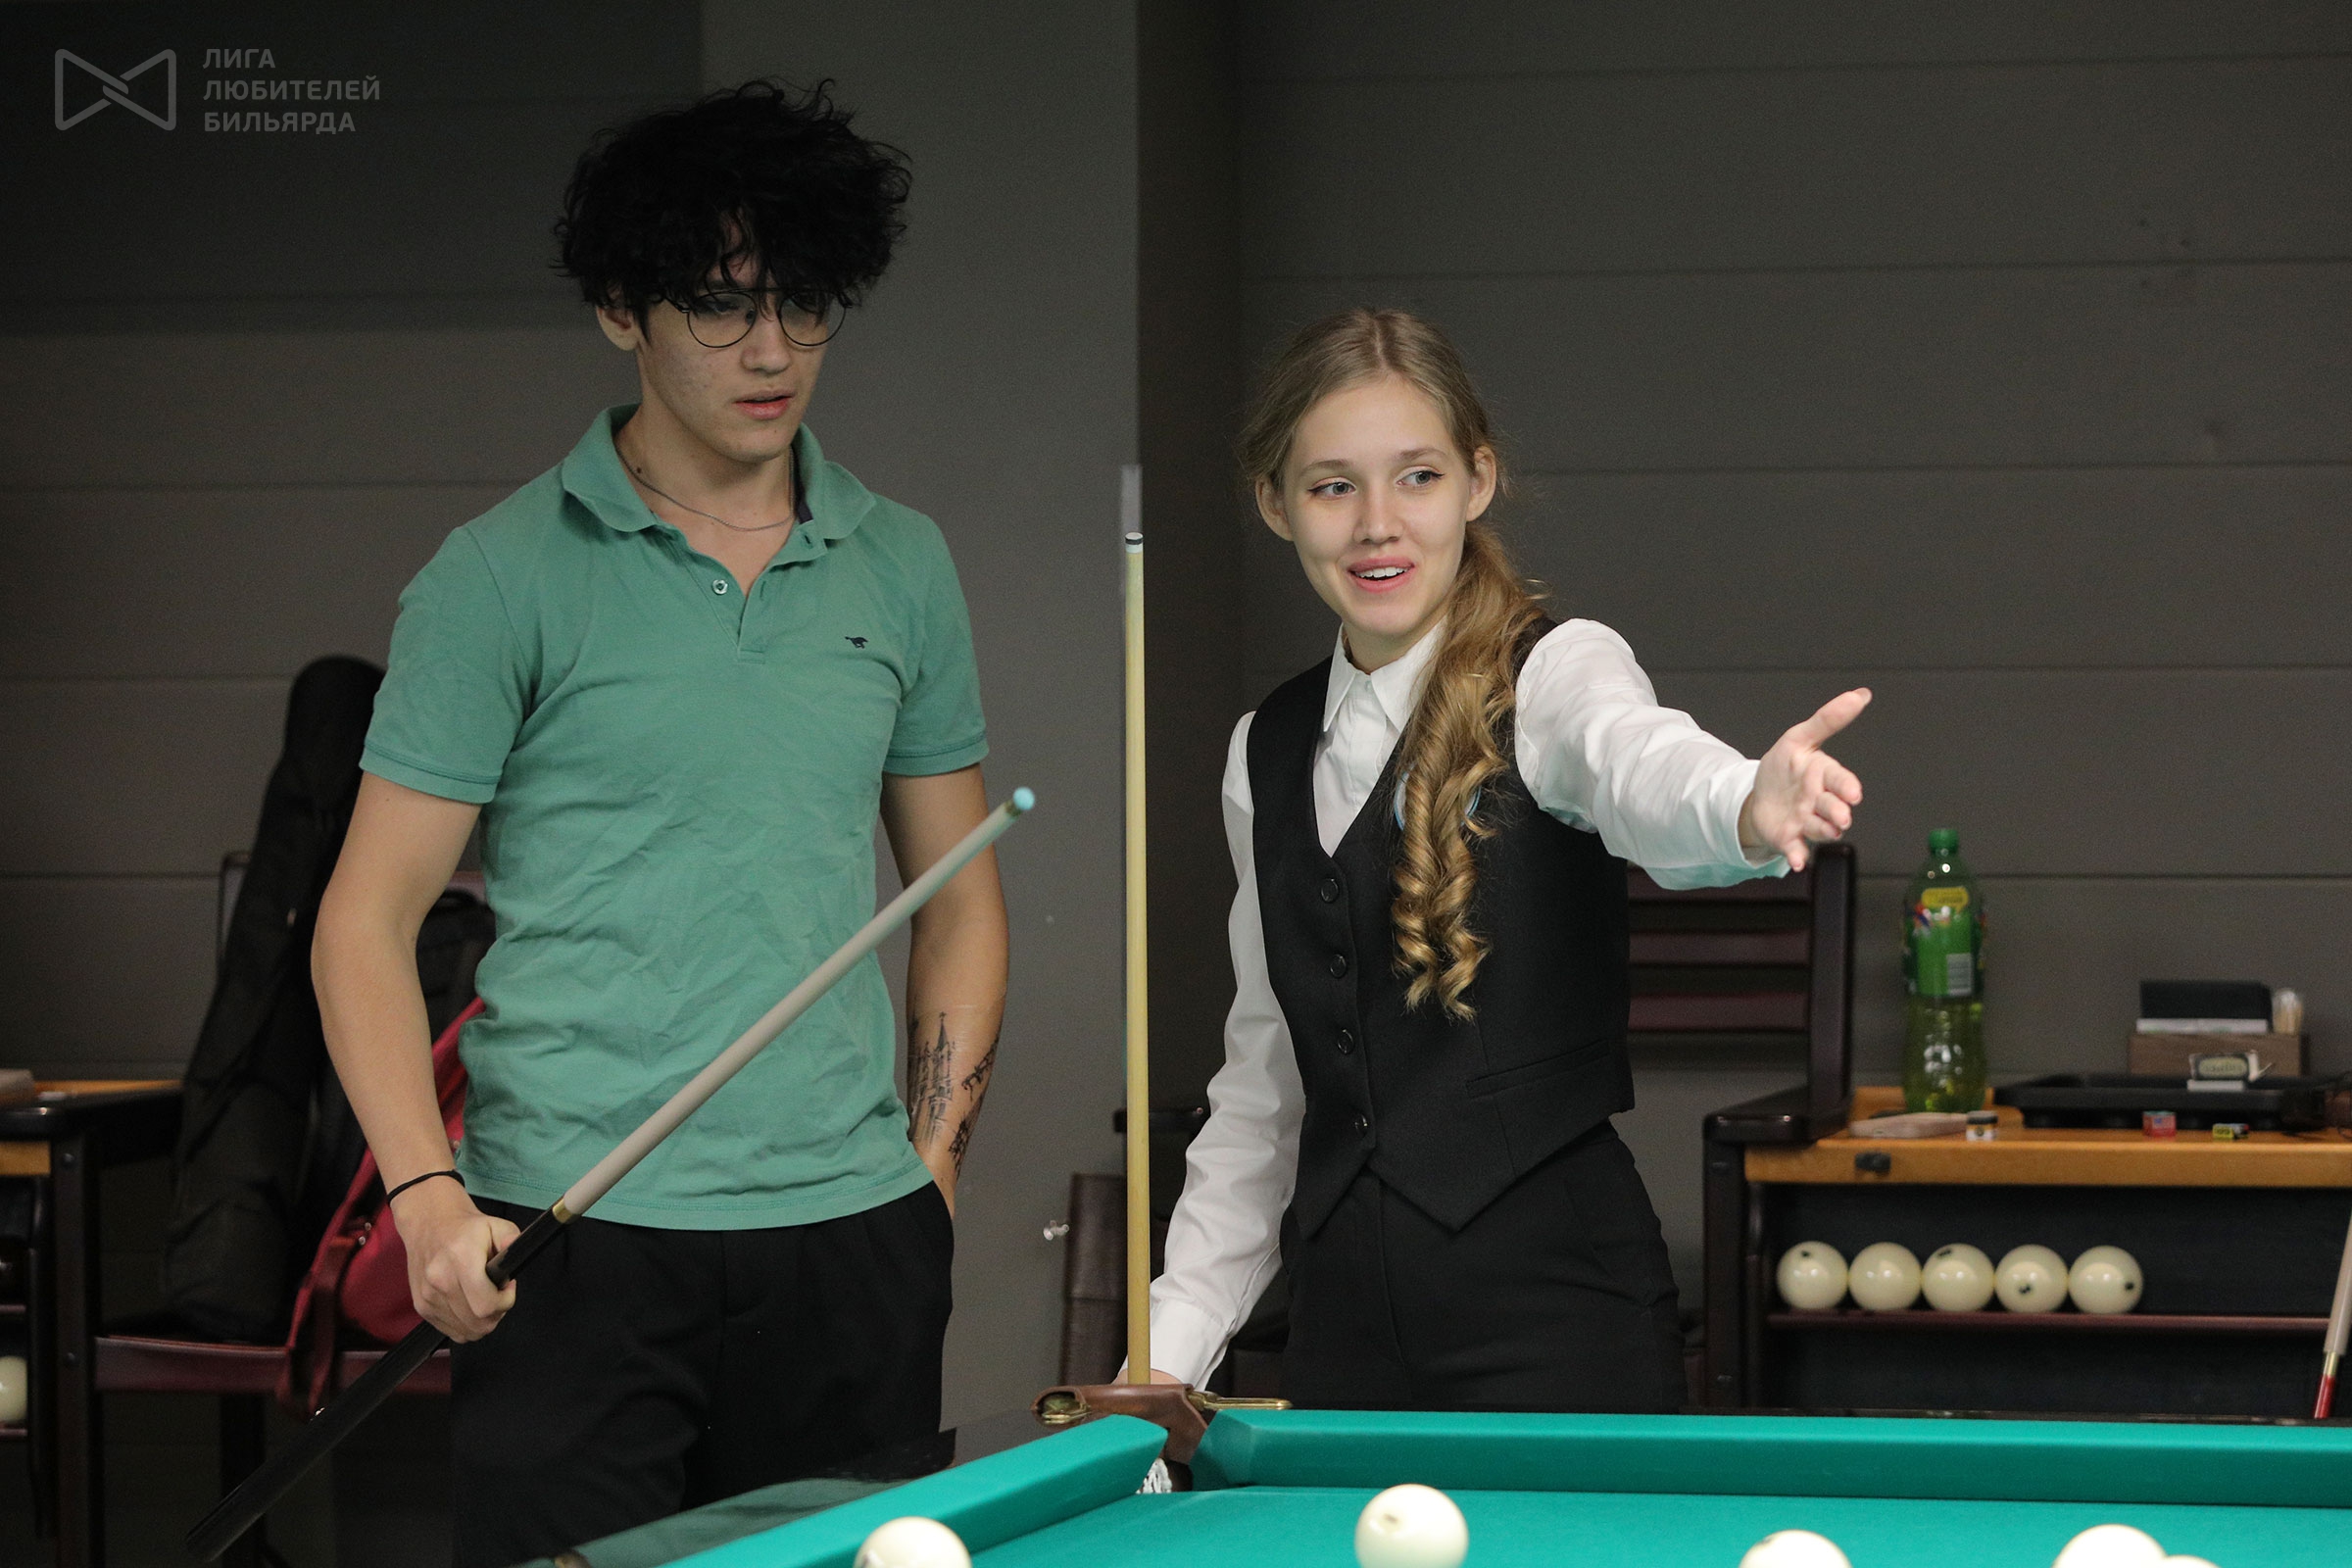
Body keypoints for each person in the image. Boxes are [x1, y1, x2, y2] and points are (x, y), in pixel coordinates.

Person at [312, 81, 1007, 1565]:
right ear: (620, 309)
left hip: (849, 1240)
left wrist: (930, 1173)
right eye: (720, 305)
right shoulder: (497, 576)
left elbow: (956, 896)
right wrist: (427, 1201)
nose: (772, 351)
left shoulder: (902, 563)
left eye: (804, 303)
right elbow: (363, 920)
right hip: (569, 1238)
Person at [1146, 309, 1869, 1412]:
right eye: (1333, 486)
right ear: (1276, 503)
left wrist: (1740, 803)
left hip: (1558, 1325)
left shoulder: (1556, 673)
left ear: (1477, 480)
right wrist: (1163, 1363)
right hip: (1341, 1341)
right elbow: (1266, 1089)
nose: (1378, 524)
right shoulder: (1265, 748)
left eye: (1418, 477)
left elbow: (1636, 761)